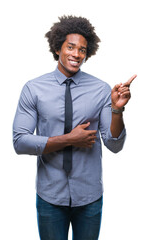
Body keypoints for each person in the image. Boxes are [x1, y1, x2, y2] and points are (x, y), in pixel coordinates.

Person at [13, 15, 137, 240]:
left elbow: (114, 144)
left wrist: (117, 110)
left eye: (82, 50)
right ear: (57, 48)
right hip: (50, 196)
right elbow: (20, 141)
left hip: (89, 196)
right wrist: (69, 139)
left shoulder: (100, 90)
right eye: (70, 47)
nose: (76, 54)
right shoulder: (34, 89)